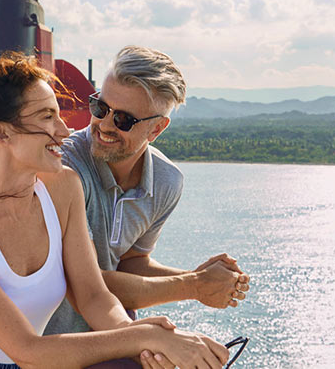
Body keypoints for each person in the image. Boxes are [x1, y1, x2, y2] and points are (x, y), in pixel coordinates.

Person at [0, 53, 229, 369]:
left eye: (59, 114)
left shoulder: (64, 185)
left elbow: (93, 295)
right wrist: (144, 335)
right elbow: (27, 351)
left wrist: (141, 342)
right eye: (46, 117)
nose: (65, 131)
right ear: (1, 132)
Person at [45, 46, 251, 360]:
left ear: (156, 128)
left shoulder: (166, 182)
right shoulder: (64, 169)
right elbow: (80, 283)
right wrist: (193, 285)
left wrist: (198, 278)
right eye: (100, 107)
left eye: (124, 119)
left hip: (114, 341)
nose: (105, 124)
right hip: (51, 346)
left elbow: (130, 262)